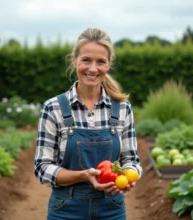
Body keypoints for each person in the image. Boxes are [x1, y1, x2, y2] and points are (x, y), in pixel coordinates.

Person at [34, 27, 143, 220]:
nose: (93, 69)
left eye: (100, 61)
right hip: (66, 209)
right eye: (86, 60)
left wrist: (128, 175)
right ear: (74, 60)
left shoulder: (122, 108)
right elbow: (42, 168)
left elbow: (131, 159)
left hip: (112, 209)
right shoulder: (53, 108)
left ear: (108, 65)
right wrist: (84, 175)